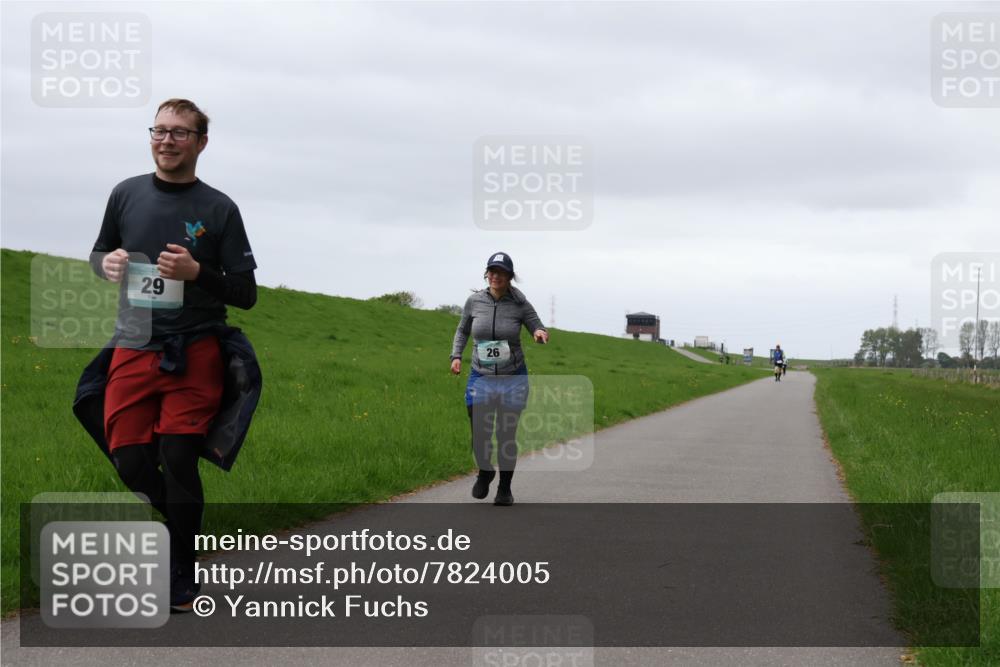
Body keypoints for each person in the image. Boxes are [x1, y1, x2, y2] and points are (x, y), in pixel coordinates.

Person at [80, 98, 259, 612]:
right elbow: (98, 254)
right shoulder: (125, 194)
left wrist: (197, 274)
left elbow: (246, 293)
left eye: (180, 132)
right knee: (130, 458)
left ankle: (183, 570)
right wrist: (106, 262)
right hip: (133, 344)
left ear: (201, 142)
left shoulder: (219, 208)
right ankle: (176, 534)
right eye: (159, 130)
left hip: (195, 347)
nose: (167, 140)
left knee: (179, 457)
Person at [450, 252, 548, 506]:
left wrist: (538, 332)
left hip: (512, 376)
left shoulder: (520, 303)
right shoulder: (474, 301)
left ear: (509, 277)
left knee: (506, 434)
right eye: (492, 271)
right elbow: (462, 330)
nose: (495, 276)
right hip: (480, 375)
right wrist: (456, 356)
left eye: (501, 273)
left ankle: (504, 489)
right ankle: (485, 471)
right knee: (480, 432)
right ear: (487, 274)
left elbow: (536, 324)